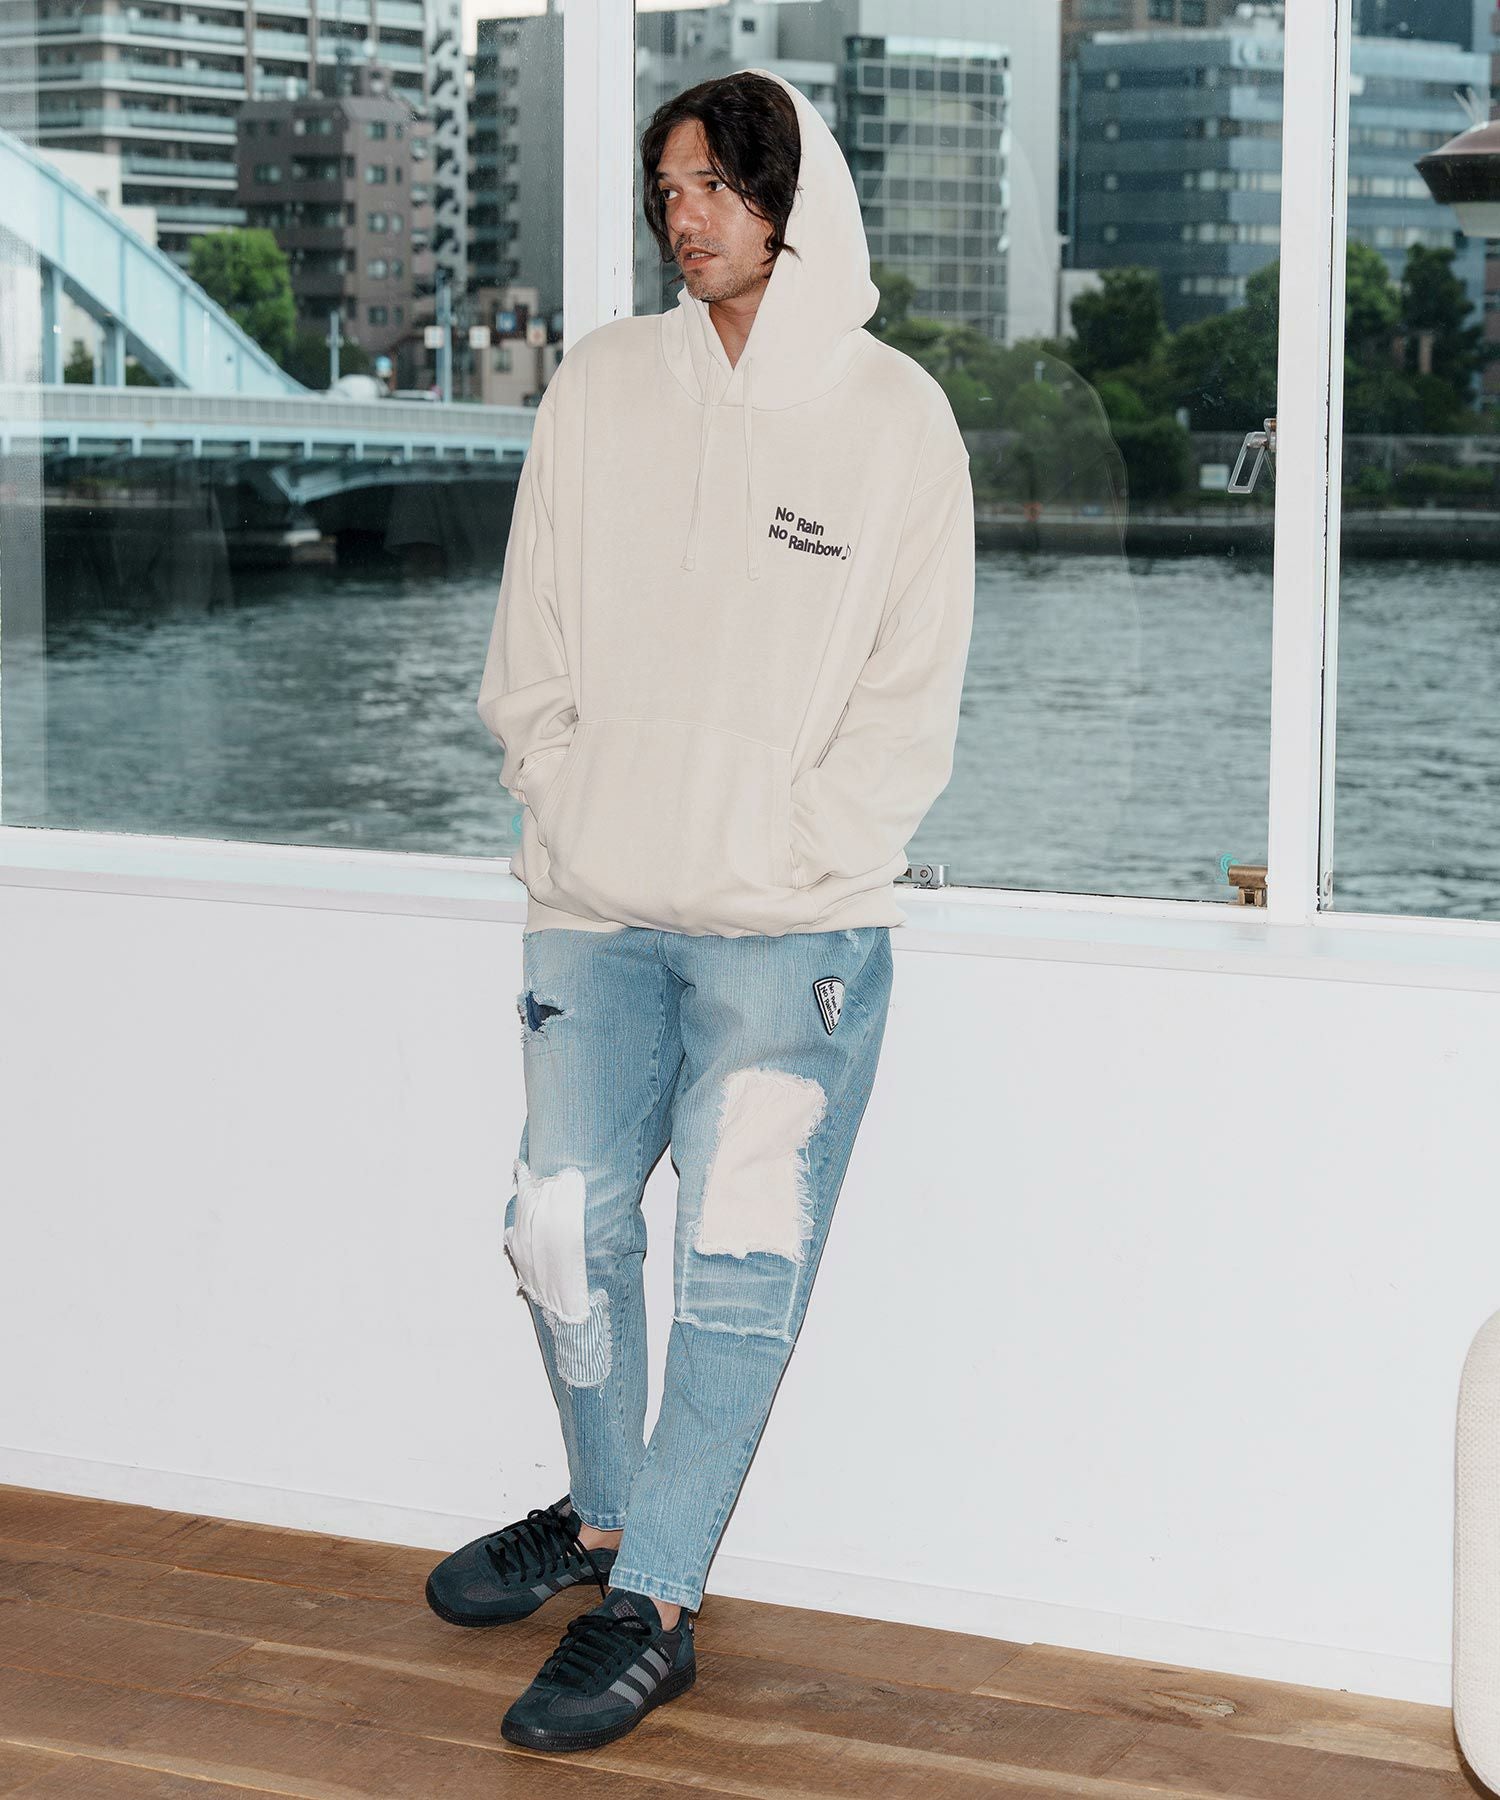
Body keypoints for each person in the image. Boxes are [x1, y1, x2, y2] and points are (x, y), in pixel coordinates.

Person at [426, 66, 974, 1755]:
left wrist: (797, 843)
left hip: (791, 936)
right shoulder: (604, 387)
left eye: (718, 187)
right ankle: (604, 1520)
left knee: (738, 1270)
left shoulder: (894, 420)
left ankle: (654, 1605)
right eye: (668, 189)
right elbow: (533, 637)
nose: (688, 217)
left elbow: (911, 696)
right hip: (592, 904)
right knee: (558, 1227)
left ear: (792, 200)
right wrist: (565, 791)